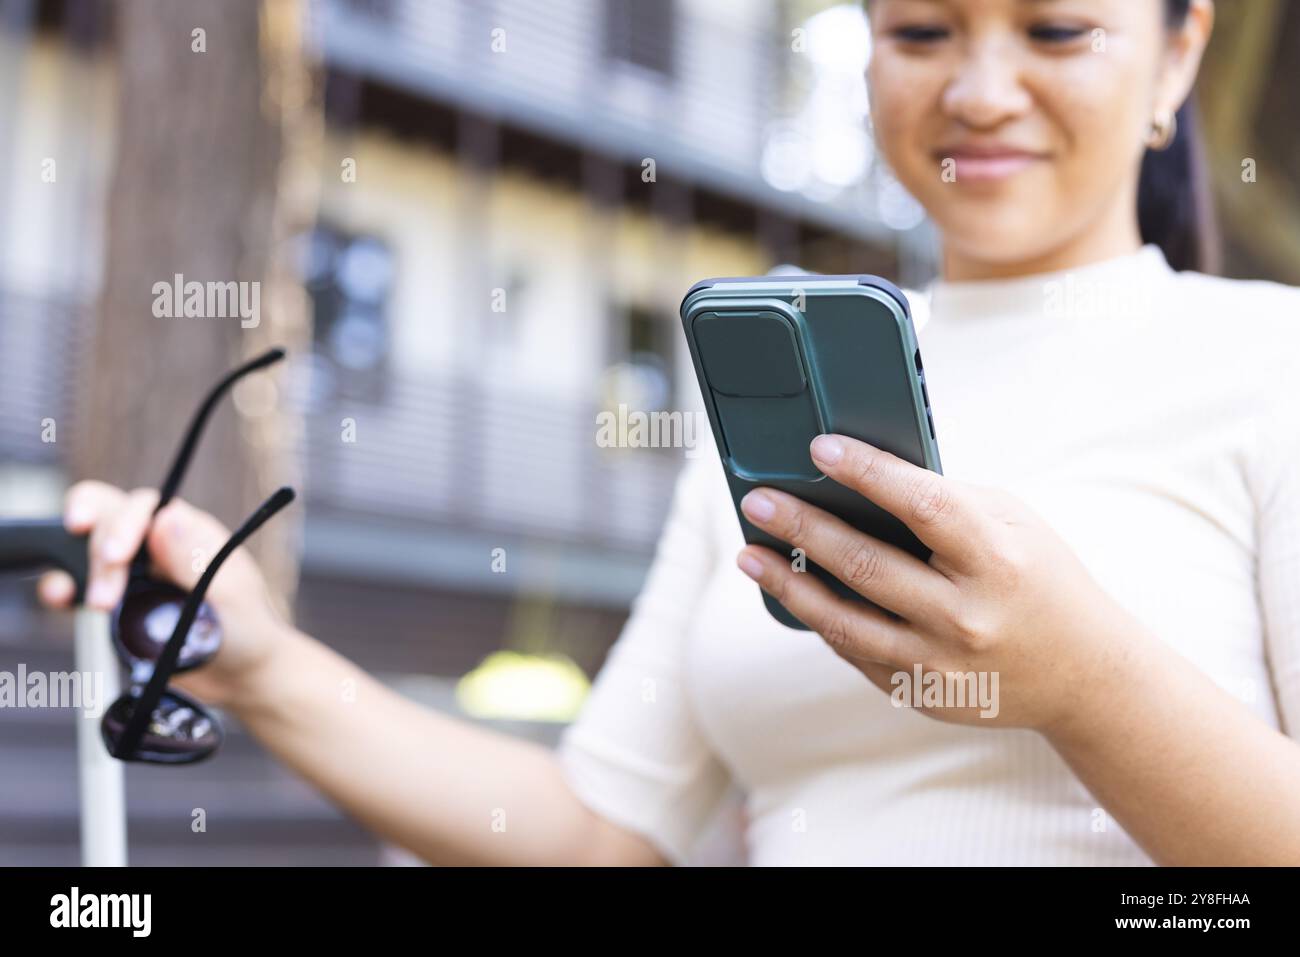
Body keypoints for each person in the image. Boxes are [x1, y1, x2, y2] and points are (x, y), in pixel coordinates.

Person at [36, 0, 1300, 865]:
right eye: (918, 28)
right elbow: (598, 834)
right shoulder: (774, 421)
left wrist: (1086, 685)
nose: (976, 89)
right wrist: (259, 660)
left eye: (1055, 28)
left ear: (1177, 55)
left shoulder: (1265, 362)